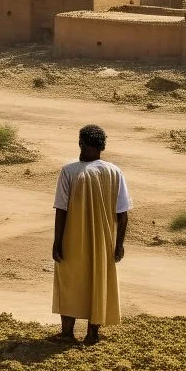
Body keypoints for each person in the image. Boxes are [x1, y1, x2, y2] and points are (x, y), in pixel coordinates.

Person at [51, 123, 131, 344]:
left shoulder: (69, 171)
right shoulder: (115, 172)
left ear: (81, 143)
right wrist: (118, 244)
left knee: (68, 280)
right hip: (103, 241)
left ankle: (67, 333)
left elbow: (61, 209)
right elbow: (122, 215)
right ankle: (92, 334)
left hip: (72, 238)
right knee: (98, 281)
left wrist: (57, 242)